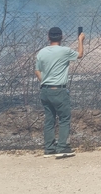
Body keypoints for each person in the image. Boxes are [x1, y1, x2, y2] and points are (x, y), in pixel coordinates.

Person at [35, 27, 84, 158]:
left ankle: (49, 148)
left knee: (49, 119)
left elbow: (37, 70)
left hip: (45, 90)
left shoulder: (41, 52)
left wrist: (44, 80)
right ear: (61, 37)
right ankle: (62, 147)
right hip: (59, 90)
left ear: (48, 37)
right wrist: (80, 40)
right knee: (64, 118)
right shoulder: (65, 51)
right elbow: (79, 54)